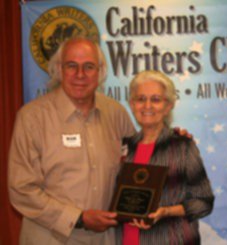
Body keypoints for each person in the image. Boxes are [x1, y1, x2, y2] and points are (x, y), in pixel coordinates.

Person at [8, 37, 136, 244]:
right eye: (71, 66)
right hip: (49, 239)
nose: (80, 75)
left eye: (88, 67)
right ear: (59, 69)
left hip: (105, 239)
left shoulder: (116, 114)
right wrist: (78, 218)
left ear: (100, 71)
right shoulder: (32, 117)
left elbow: (139, 165)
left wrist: (174, 141)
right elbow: (21, 189)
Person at [117, 70, 214, 244]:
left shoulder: (182, 146)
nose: (147, 105)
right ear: (132, 104)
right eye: (140, 99)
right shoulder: (123, 146)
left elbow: (204, 202)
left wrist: (167, 211)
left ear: (168, 105)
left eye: (155, 99)